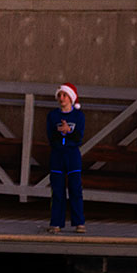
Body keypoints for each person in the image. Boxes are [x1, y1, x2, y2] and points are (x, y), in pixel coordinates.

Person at [46, 83, 86, 233]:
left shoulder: (78, 116)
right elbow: (51, 136)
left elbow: (79, 137)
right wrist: (60, 133)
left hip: (72, 154)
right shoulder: (53, 116)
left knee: (75, 188)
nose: (62, 98)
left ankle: (79, 222)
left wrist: (68, 131)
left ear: (71, 98)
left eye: (65, 95)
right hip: (57, 154)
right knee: (57, 190)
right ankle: (56, 222)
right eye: (60, 95)